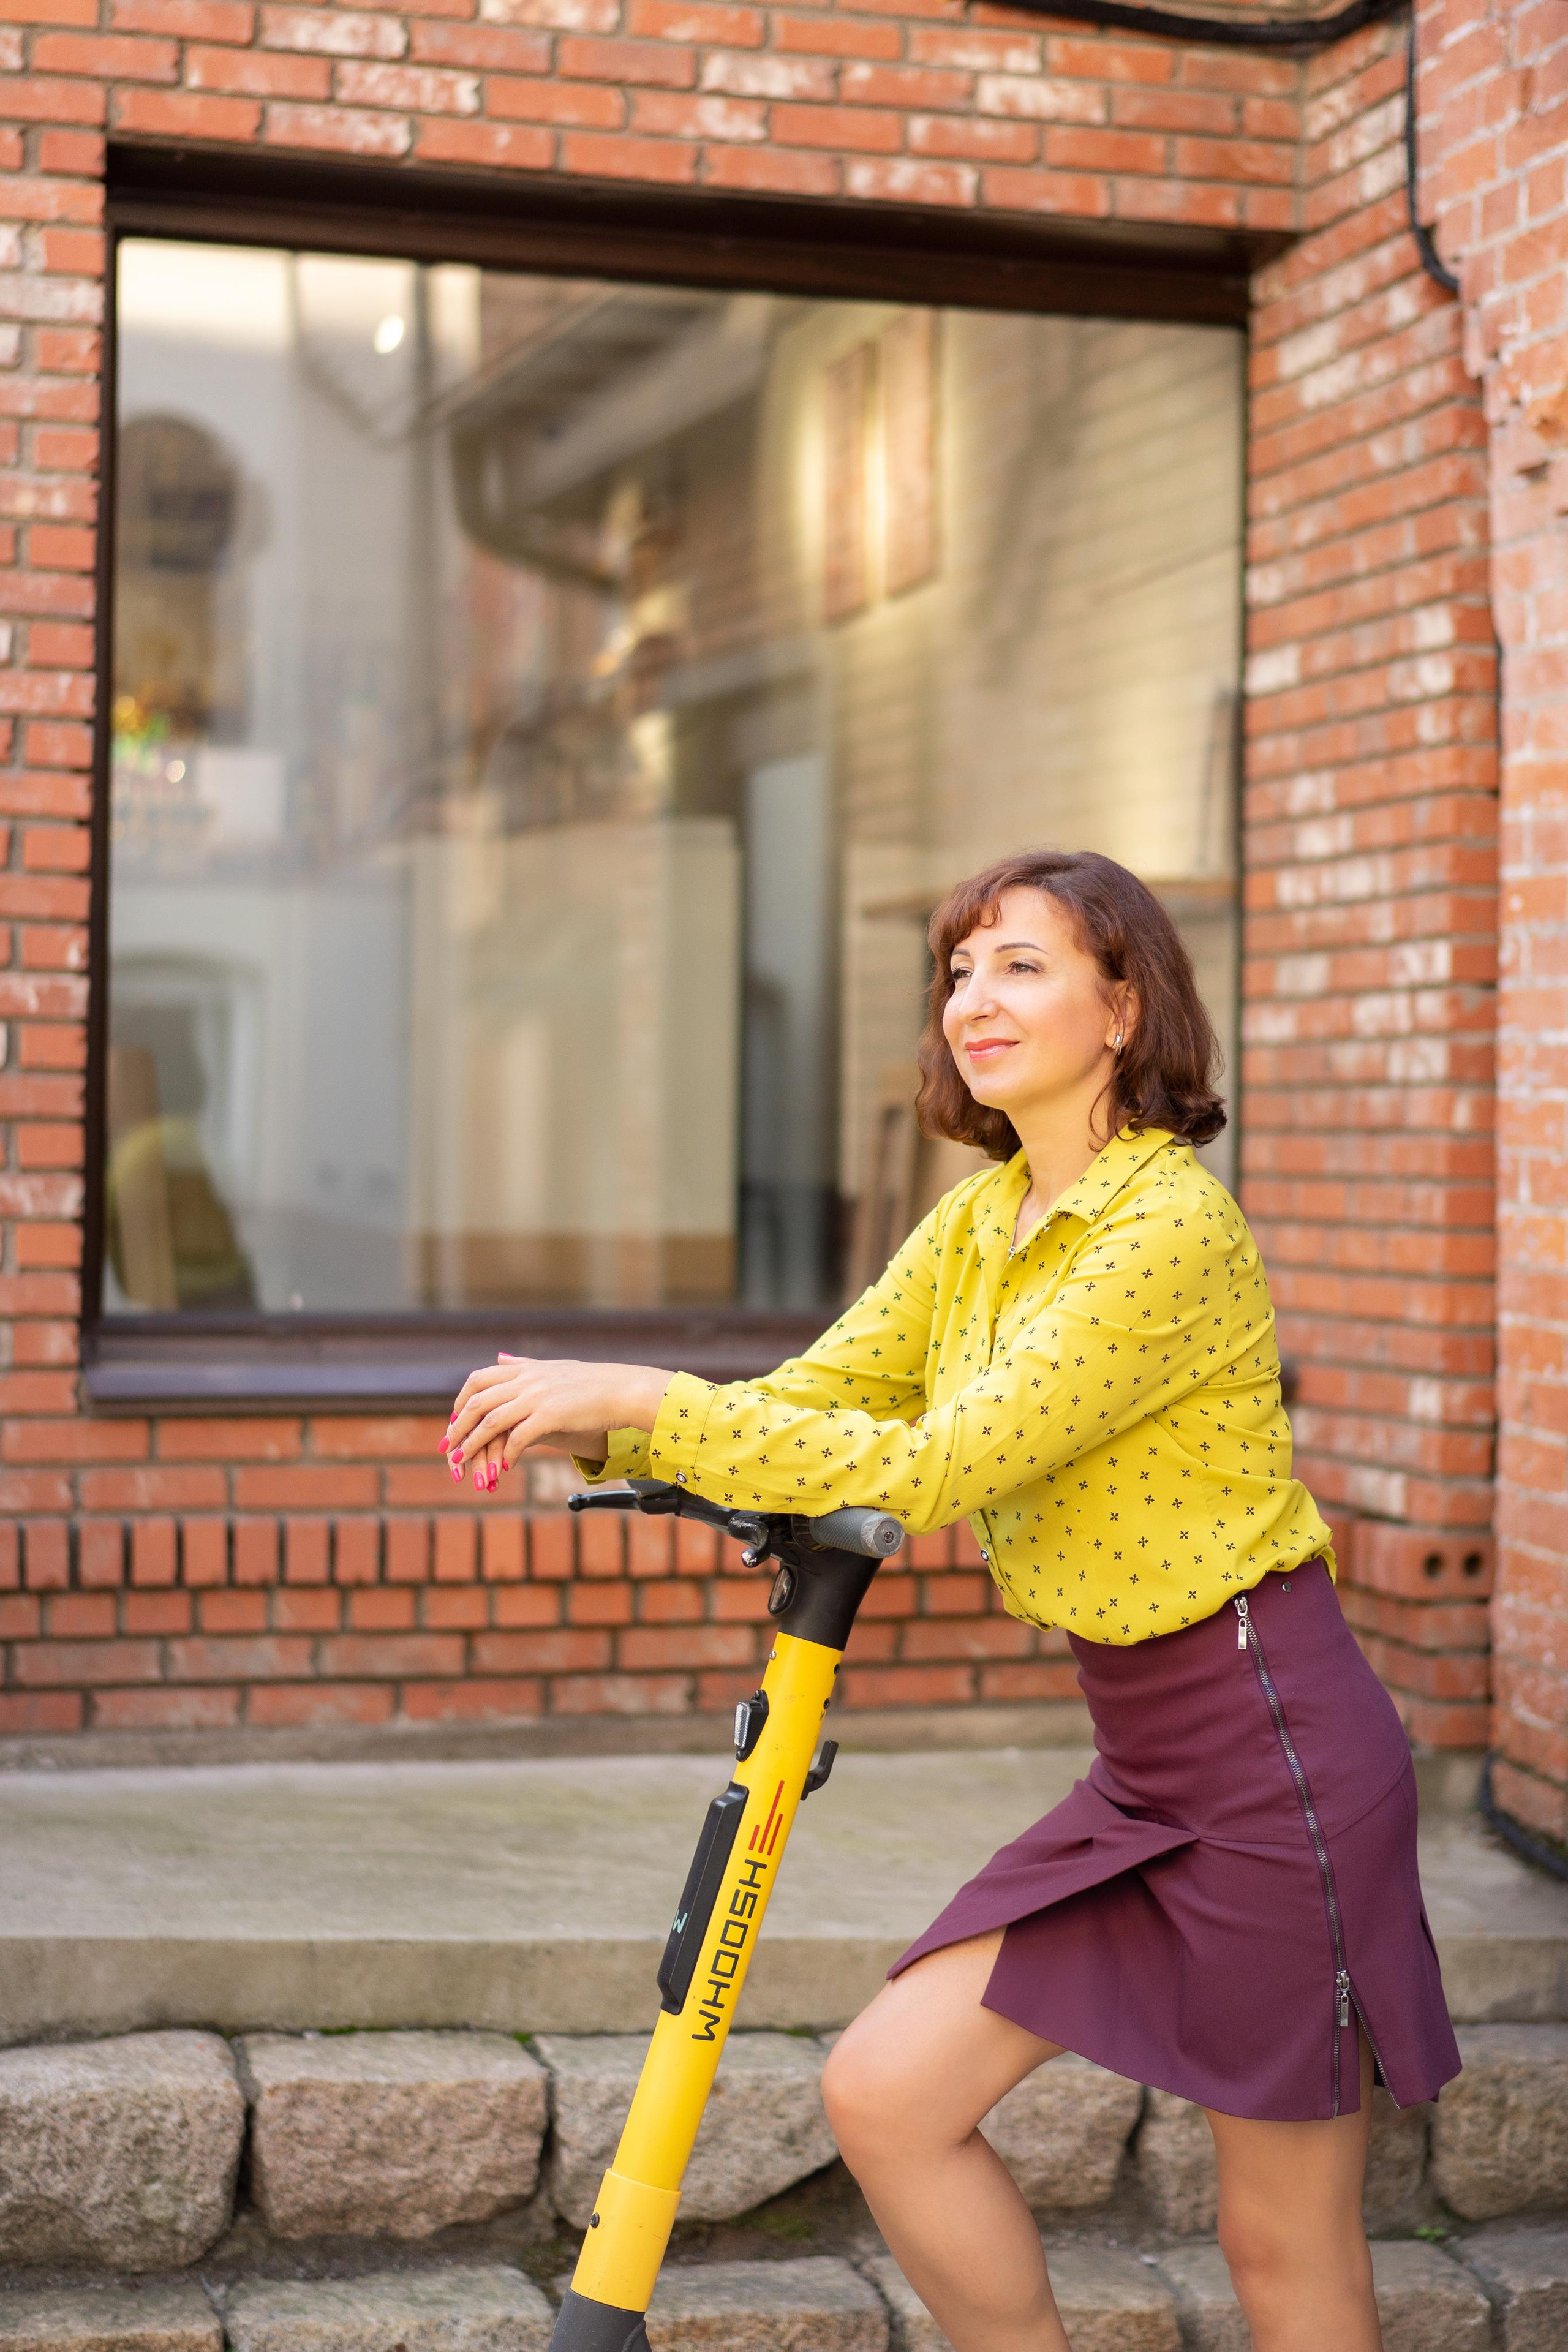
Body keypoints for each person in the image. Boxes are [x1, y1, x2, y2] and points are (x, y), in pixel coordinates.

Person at [442, 848, 1460, 2352]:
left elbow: (938, 1460)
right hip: (1143, 1768)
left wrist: (651, 1392)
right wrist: (592, 1420)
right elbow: (814, 1400)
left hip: (1273, 1758)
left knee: (1277, 2243)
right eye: (959, 970)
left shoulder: (1162, 1229)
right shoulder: (982, 1223)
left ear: (1123, 1007)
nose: (974, 999)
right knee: (884, 2091)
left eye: (1022, 966)